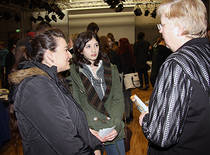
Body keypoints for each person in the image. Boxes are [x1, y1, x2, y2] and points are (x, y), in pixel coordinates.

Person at [8, 28, 102, 155]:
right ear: (50, 55)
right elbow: (65, 140)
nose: (70, 54)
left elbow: (70, 119)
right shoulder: (36, 87)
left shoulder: (51, 80)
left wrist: (90, 138)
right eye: (65, 50)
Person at [139, 0, 210, 155]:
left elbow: (162, 136)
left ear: (179, 28)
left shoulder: (177, 64)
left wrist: (145, 120)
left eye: (162, 25)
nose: (160, 31)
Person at [66, 31, 125, 155]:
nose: (94, 50)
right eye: (88, 46)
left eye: (96, 45)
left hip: (112, 128)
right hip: (91, 131)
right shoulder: (73, 72)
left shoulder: (111, 68)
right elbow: (76, 104)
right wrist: (86, 129)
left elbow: (118, 99)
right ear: (80, 50)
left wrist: (116, 125)